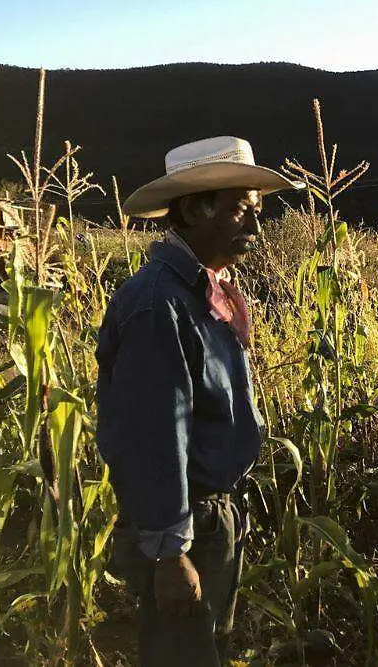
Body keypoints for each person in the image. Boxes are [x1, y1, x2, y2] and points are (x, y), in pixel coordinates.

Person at [96, 136, 301, 666]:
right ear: (191, 211)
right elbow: (153, 437)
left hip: (212, 520)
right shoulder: (158, 307)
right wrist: (171, 554)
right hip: (187, 528)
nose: (255, 228)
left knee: (206, 648)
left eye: (256, 211)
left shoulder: (204, 294)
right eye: (238, 210)